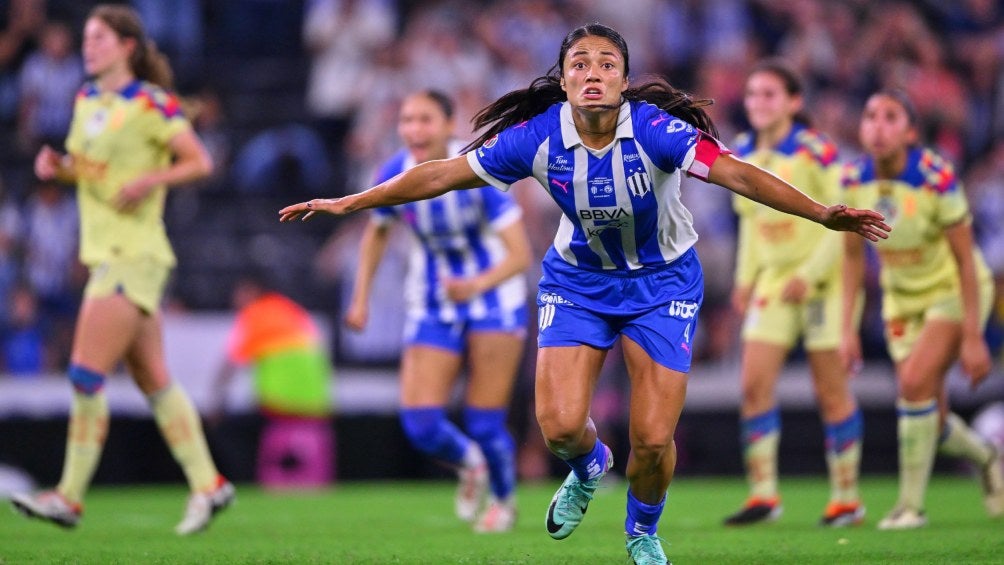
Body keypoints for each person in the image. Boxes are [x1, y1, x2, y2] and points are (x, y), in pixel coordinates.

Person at [280, 23, 889, 564]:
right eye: (580, 64)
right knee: (560, 426)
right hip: (579, 282)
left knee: (653, 439)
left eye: (606, 64)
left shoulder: (655, 130)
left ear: (623, 81)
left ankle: (643, 533)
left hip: (663, 285)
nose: (592, 73)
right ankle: (588, 466)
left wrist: (819, 213)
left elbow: (735, 171)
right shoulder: (536, 136)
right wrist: (354, 201)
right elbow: (444, 171)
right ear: (564, 80)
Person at [9, 5, 234, 535]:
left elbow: (198, 160)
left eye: (99, 38)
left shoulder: (150, 102)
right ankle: (208, 485)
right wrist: (59, 168)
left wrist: (150, 182)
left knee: (86, 374)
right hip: (106, 251)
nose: (88, 46)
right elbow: (94, 171)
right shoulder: (87, 99)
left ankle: (68, 496)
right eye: (86, 37)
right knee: (154, 380)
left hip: (133, 254)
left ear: (127, 46)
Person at [344, 90, 532, 533]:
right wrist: (360, 297)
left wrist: (477, 285)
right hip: (432, 301)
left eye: (425, 120)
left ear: (450, 126)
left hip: (493, 298)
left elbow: (521, 255)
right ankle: (472, 466)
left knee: (485, 422)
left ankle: (504, 503)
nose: (414, 129)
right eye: (407, 120)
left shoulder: (480, 170)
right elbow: (376, 232)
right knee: (421, 423)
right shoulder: (394, 171)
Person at [840, 89, 1004, 530]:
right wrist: (847, 329)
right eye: (870, 115)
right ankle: (989, 458)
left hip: (951, 292)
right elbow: (852, 259)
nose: (877, 125)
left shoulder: (936, 176)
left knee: (912, 385)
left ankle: (910, 507)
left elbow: (968, 262)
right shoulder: (853, 178)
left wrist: (973, 336)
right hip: (901, 301)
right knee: (931, 414)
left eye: (890, 117)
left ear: (910, 132)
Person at [723, 60, 864, 527]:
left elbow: (841, 221)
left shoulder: (817, 150)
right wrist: (745, 281)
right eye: (752, 95)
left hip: (824, 282)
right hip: (775, 281)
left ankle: (846, 498)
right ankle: (764, 494)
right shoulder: (741, 152)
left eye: (768, 94)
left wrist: (811, 270)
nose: (757, 103)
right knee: (753, 385)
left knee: (830, 390)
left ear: (793, 102)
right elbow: (750, 225)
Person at [208, 275, 335, 489]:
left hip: (282, 404)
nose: (235, 300)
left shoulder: (257, 313)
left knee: (278, 475)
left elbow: (230, 361)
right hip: (316, 402)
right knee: (313, 471)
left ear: (254, 292)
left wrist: (216, 401)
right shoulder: (292, 310)